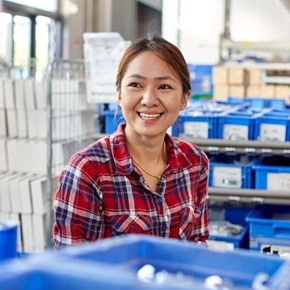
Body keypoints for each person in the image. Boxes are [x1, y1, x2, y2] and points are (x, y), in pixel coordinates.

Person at [53, 33, 209, 249]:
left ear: (184, 98)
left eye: (164, 87)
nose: (148, 100)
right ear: (119, 95)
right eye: (136, 85)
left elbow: (197, 244)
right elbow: (71, 271)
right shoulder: (87, 171)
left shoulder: (195, 162)